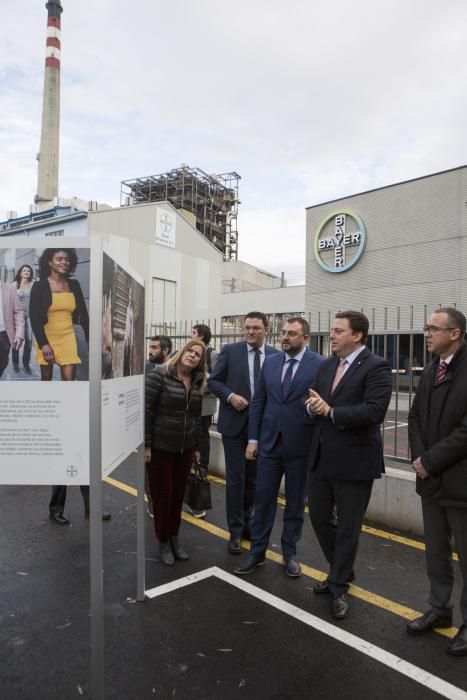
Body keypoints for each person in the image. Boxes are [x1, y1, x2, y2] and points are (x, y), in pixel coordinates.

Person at [306, 311, 392, 620]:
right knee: (317, 516)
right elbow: (316, 400)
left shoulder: (377, 367)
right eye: (332, 330)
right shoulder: (327, 364)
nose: (332, 335)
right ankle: (342, 571)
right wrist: (312, 405)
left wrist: (330, 411)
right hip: (321, 457)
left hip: (355, 460)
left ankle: (338, 583)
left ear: (357, 335)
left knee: (347, 527)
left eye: (338, 331)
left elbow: (374, 411)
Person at [234, 318, 324, 577]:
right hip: (269, 445)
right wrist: (253, 440)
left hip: (301, 446)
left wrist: (311, 410)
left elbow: (319, 402)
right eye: (284, 333)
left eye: (292, 334)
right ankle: (257, 552)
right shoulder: (271, 362)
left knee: (295, 504)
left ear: (305, 338)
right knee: (263, 500)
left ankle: (289, 553)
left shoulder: (319, 364)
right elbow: (258, 402)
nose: (285, 337)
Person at [30, 248, 109, 524]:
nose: (63, 262)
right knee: (50, 390)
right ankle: (56, 509)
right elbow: (33, 319)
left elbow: (84, 317)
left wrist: (96, 343)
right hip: (47, 337)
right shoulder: (40, 286)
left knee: (81, 452)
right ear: (49, 261)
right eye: (58, 258)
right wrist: (44, 345)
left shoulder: (74, 285)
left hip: (67, 336)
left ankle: (90, 508)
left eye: (67, 259)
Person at [407, 307, 467, 656]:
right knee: (436, 551)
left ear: (455, 334)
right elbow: (415, 417)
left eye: (433, 328)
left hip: (460, 482)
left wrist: (429, 460)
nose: (427, 334)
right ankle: (439, 609)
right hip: (431, 480)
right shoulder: (432, 369)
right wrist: (420, 458)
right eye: (427, 327)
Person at [208, 311, 279, 554]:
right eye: (247, 327)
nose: (250, 332)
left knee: (254, 481)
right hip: (234, 427)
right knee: (236, 480)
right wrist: (230, 396)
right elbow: (213, 382)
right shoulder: (230, 351)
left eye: (256, 328)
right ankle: (235, 532)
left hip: (261, 429)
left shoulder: (276, 356)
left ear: (266, 330)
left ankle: (249, 524)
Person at [145, 338, 206, 565]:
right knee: (163, 496)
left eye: (198, 354)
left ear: (201, 361)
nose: (193, 355)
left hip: (185, 449)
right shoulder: (160, 375)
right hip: (161, 448)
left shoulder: (198, 380)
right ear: (182, 352)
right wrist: (147, 445)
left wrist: (197, 448)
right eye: (190, 350)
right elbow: (146, 411)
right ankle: (162, 541)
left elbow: (196, 418)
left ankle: (174, 537)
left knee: (178, 496)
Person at [189, 323, 218, 518]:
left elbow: (217, 379)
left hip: (205, 403)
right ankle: (197, 466)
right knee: (195, 435)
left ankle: (202, 468)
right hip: (193, 402)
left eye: (193, 333)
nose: (190, 336)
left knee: (202, 436)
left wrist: (202, 387)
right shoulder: (192, 352)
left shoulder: (212, 354)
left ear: (201, 336)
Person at [144, 334, 173, 518]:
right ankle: (153, 502)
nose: (150, 350)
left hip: (170, 431)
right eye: (150, 346)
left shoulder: (176, 369)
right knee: (150, 472)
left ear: (166, 350)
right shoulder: (146, 368)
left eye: (154, 347)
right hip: (151, 430)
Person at [11, 264, 34, 374]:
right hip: (17, 317)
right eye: (24, 270)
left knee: (29, 341)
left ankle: (26, 364)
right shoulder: (14, 285)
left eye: (28, 271)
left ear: (30, 274)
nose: (26, 272)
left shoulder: (33, 286)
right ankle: (15, 364)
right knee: (16, 341)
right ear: (20, 273)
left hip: (29, 316)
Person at [0, 279, 24, 379]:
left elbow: (18, 312)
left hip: (3, 335)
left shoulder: (10, 288)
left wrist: (19, 333)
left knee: (2, 364)